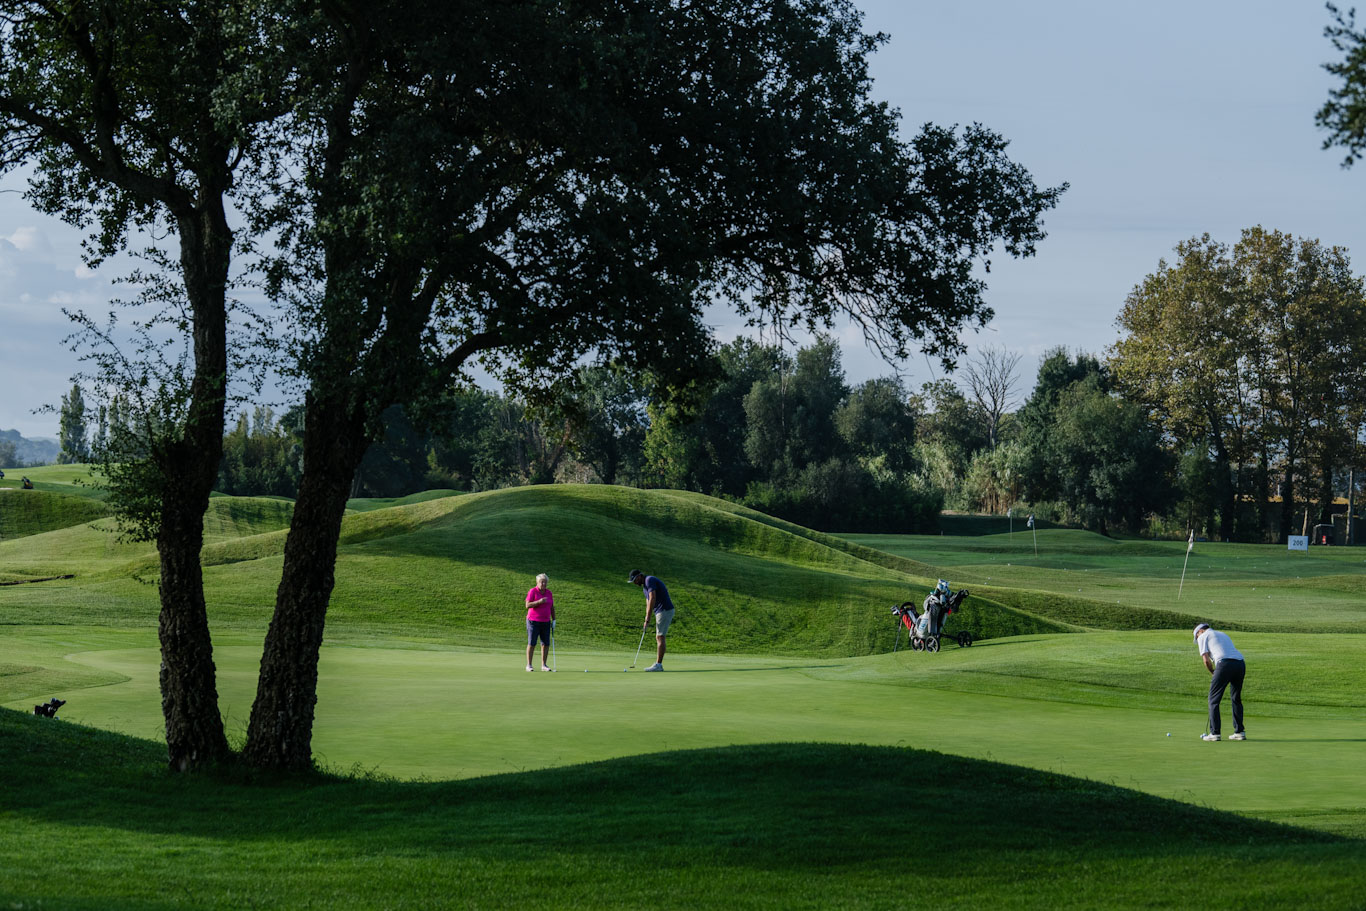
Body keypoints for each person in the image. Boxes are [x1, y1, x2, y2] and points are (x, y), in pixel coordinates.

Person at [1194, 623, 1247, 741]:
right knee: (1236, 698)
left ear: (1200, 631)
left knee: (1213, 700)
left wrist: (1213, 672)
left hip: (1224, 664)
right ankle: (1239, 732)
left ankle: (1215, 733)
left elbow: (1206, 661)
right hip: (1240, 663)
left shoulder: (1203, 636)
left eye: (1196, 637)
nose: (1197, 639)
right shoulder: (1222, 634)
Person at [628, 568, 674, 671]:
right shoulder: (645, 587)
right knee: (659, 637)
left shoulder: (649, 580)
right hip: (660, 611)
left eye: (635, 580)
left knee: (660, 636)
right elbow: (648, 602)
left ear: (640, 576)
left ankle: (659, 665)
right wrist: (646, 619)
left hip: (665, 609)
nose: (635, 583)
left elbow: (652, 598)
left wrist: (648, 618)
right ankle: (659, 664)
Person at [525, 573, 555, 672]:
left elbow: (551, 607)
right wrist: (539, 602)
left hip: (546, 622)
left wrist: (554, 619)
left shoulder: (549, 593)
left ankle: (544, 665)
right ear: (537, 582)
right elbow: (527, 605)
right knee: (532, 643)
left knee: (545, 644)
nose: (544, 584)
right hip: (533, 621)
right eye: (542, 582)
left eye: (545, 582)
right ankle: (529, 665)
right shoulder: (532, 591)